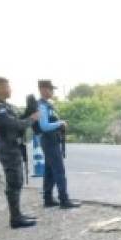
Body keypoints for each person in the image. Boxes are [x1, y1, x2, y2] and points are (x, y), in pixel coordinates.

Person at [0, 77, 39, 229]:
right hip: (7, 148)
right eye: (8, 87)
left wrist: (29, 110)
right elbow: (14, 124)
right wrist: (31, 119)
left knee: (17, 181)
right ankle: (15, 219)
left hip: (14, 147)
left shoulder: (7, 106)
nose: (10, 90)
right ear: (0, 88)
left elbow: (19, 120)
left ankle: (18, 215)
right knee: (13, 183)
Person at [36, 80, 80, 209]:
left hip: (52, 140)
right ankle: (64, 200)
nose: (52, 92)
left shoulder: (48, 105)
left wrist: (58, 124)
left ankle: (48, 198)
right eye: (50, 89)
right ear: (43, 89)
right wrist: (59, 124)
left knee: (49, 170)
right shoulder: (41, 106)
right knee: (59, 170)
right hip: (49, 140)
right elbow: (43, 126)